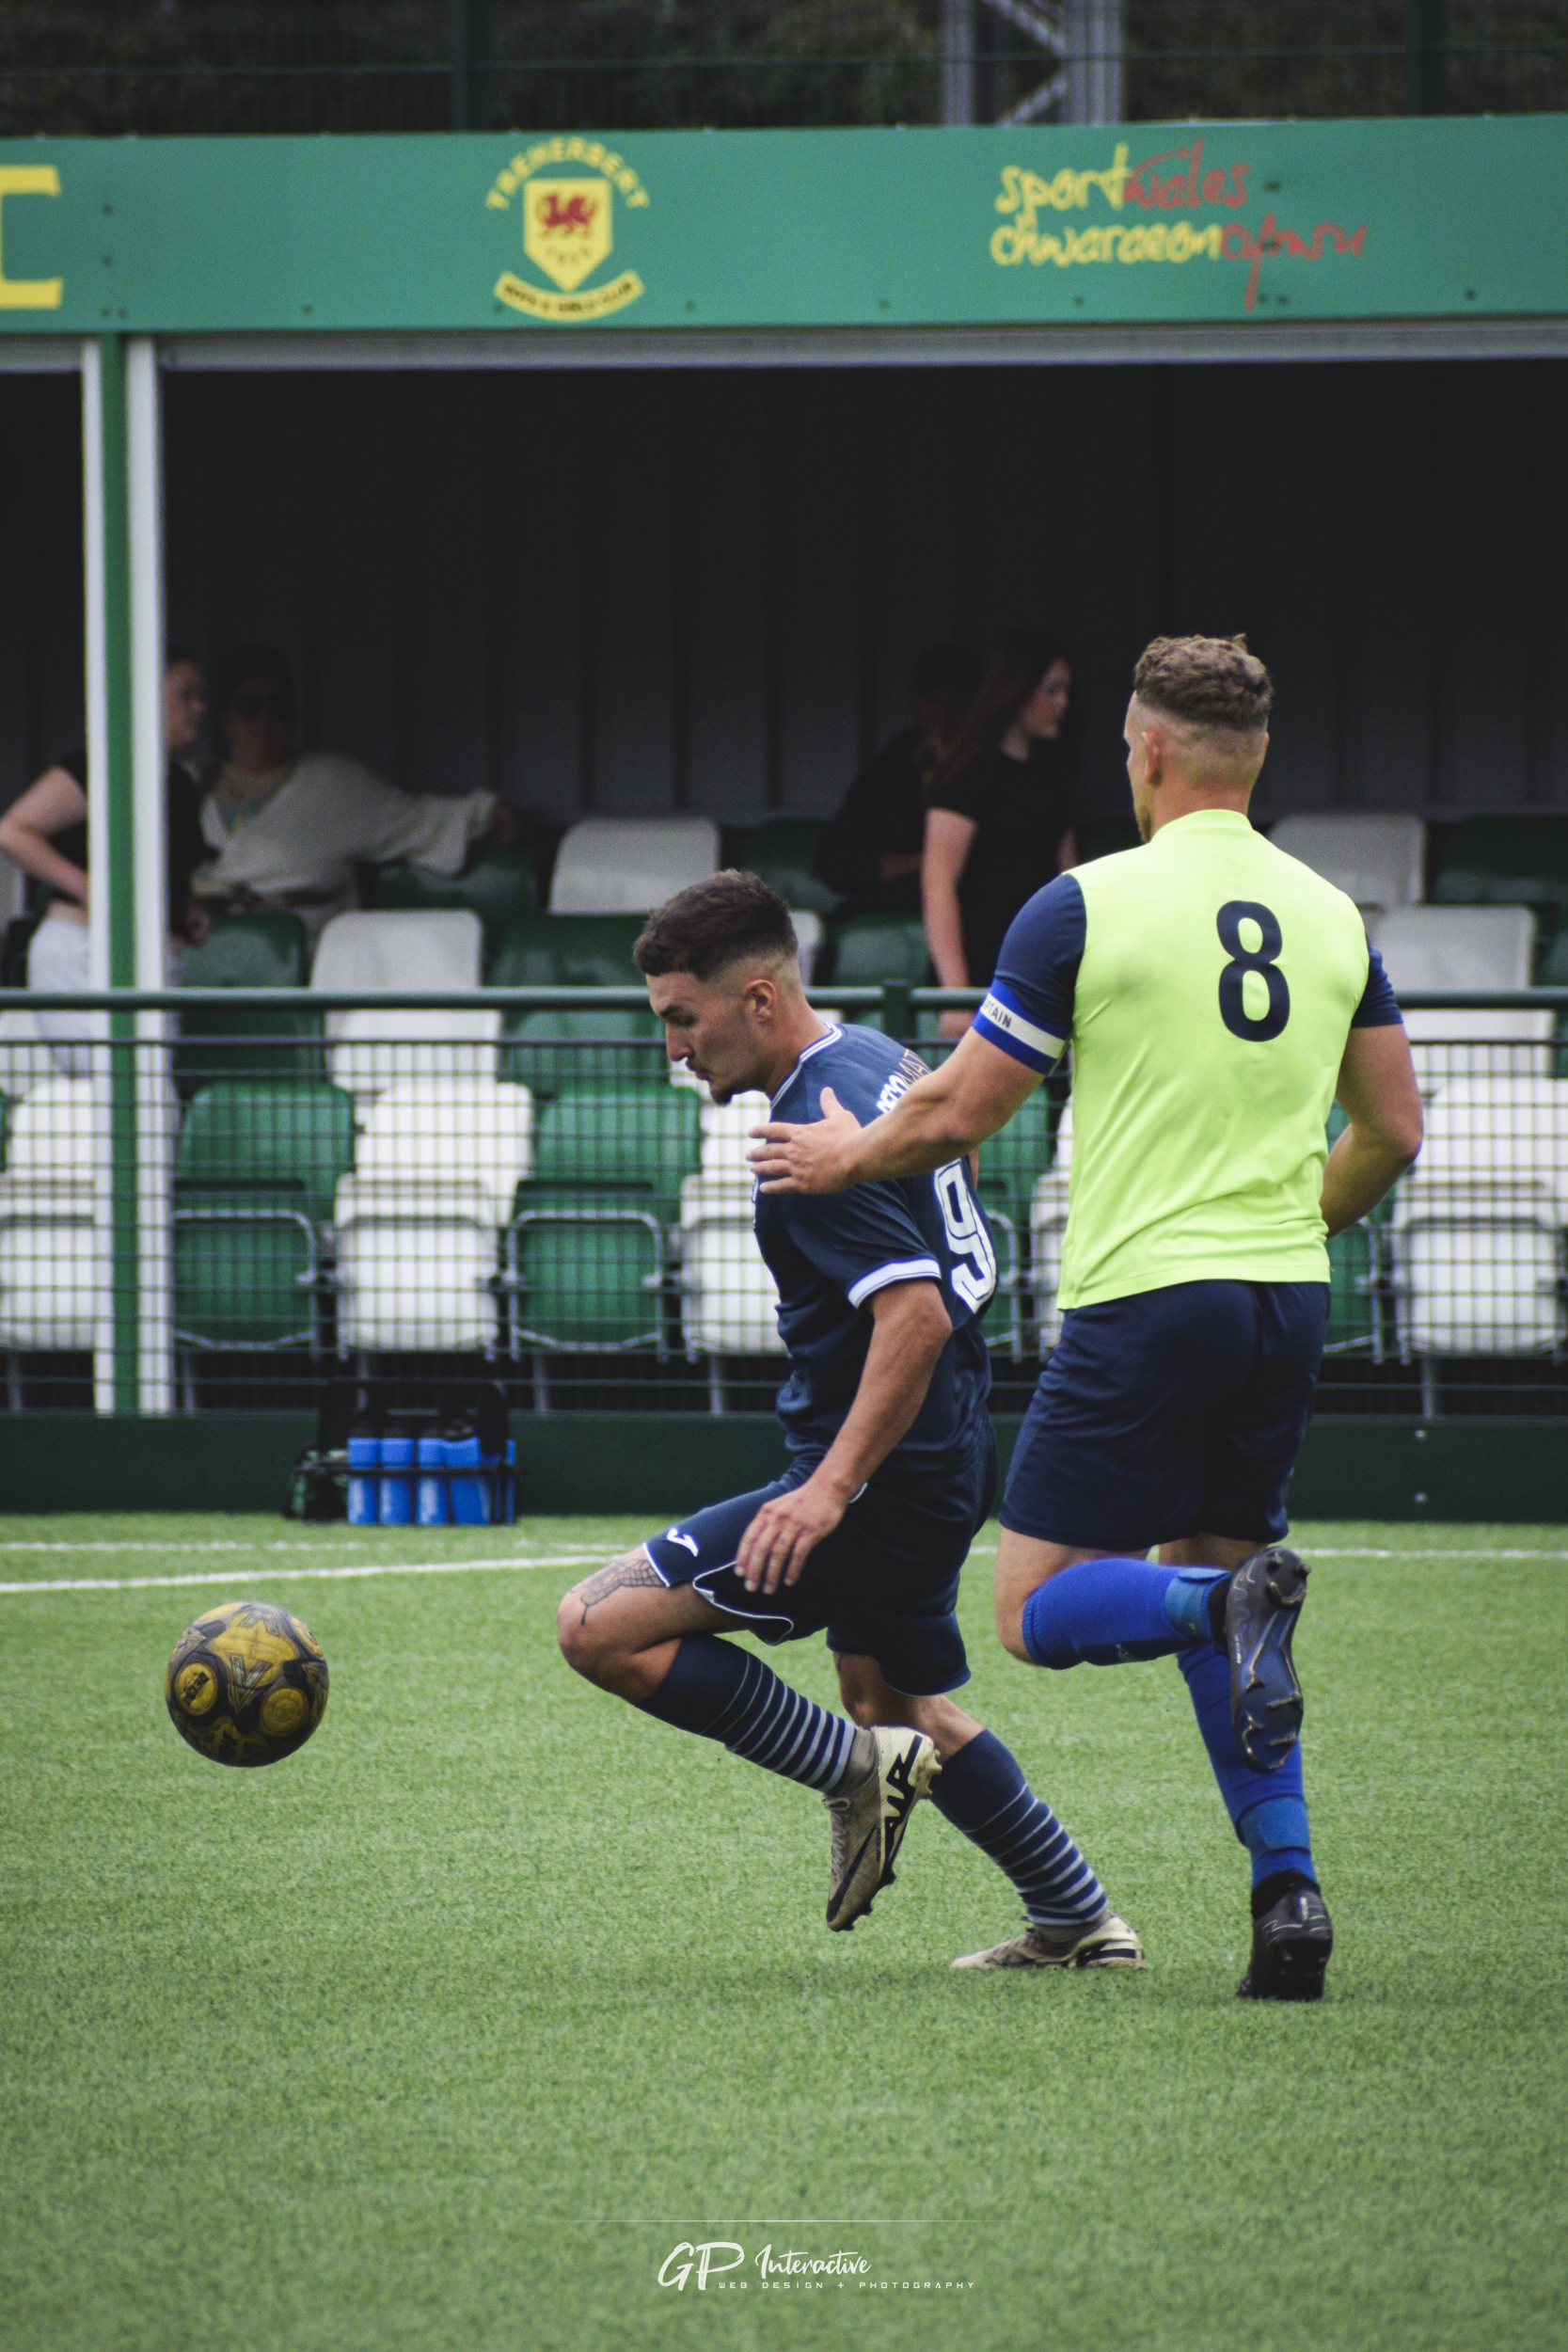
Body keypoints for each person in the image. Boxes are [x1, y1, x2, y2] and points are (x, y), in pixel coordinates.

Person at [750, 636, 1424, 2001]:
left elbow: (960, 1109)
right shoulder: (1329, 913)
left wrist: (835, 1158)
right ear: (1255, 758)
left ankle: (1217, 1603)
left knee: (1037, 1607)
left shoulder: (1081, 904)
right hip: (1284, 1300)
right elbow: (1392, 1131)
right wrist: (1293, 1226)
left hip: (1146, 1301)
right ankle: (1286, 1893)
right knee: (1230, 1623)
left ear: (1147, 751)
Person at [556, 869, 1142, 1968]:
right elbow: (960, 1158)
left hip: (876, 1477)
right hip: (946, 1446)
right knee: (897, 1704)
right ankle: (1077, 1917)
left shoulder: (805, 1130)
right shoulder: (877, 1056)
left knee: (597, 1627)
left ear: (758, 999)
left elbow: (911, 1315)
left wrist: (827, 1489)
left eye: (683, 1018)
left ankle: (852, 1775)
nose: (672, 1048)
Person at [190, 647, 524, 946]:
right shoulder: (185, 784)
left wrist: (484, 810)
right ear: (226, 719)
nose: (264, 719)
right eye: (249, 707)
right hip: (202, 956)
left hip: (306, 964)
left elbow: (416, 820)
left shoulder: (336, 784)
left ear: (294, 719)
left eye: (277, 707)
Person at [0, 652, 212, 1072]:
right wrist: (89, 888)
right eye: (186, 695)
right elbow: (13, 831)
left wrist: (186, 909)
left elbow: (170, 864)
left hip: (155, 965)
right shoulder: (96, 767)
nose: (199, 709)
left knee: (150, 1094)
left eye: (201, 697)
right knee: (115, 1087)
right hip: (83, 953)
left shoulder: (181, 783)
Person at [923, 632, 1077, 1039]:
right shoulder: (968, 774)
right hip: (981, 973)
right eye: (1051, 690)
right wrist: (955, 995)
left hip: (1042, 971)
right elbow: (938, 882)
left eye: (1066, 690)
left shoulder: (1054, 778)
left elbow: (1069, 878)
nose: (1063, 703)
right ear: (1016, 692)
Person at [814, 644, 984, 915]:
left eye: (957, 700)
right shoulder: (890, 769)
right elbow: (836, 863)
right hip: (891, 910)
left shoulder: (998, 765)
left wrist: (953, 769)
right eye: (932, 699)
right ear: (914, 702)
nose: (944, 712)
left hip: (973, 911)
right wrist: (926, 861)